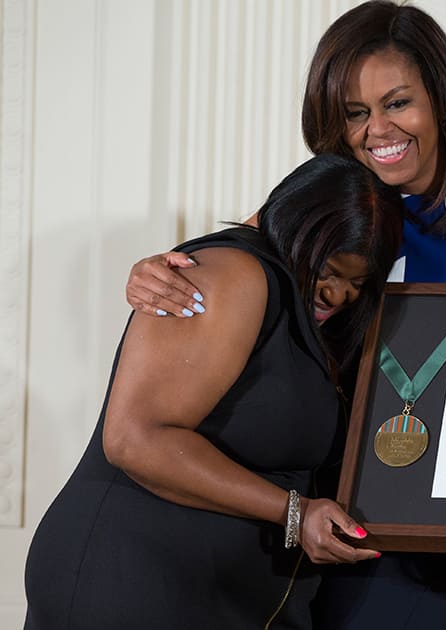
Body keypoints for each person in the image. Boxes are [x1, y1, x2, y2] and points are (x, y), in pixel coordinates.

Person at [122, 2, 446, 629]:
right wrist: (153, 273)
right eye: (355, 112)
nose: (378, 128)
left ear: (442, 98)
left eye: (398, 102)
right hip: (351, 544)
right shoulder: (319, 213)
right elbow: (224, 269)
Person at [23, 154, 403, 629]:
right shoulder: (233, 276)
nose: (339, 295)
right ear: (295, 229)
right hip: (135, 582)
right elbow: (135, 439)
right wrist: (294, 513)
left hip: (210, 592)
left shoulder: (302, 310)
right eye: (328, 271)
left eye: (357, 283)